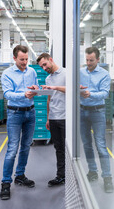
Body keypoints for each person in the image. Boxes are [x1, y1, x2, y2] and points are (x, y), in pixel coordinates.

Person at [0, 45, 39, 200]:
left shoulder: (32, 71)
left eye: (26, 59)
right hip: (15, 113)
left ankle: (20, 175)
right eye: (22, 59)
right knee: (12, 148)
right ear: (14, 58)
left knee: (26, 146)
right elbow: (7, 93)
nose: (24, 62)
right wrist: (24, 94)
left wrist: (36, 88)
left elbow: (37, 87)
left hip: (31, 112)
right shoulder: (7, 74)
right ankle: (5, 183)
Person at [80, 47, 114, 193]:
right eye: (87, 60)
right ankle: (92, 171)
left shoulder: (104, 74)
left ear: (98, 59)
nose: (88, 63)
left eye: (91, 60)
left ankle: (107, 177)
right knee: (87, 144)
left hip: (97, 112)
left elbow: (105, 94)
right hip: (82, 111)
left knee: (100, 145)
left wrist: (90, 94)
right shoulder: (80, 72)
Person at [36, 53, 66, 187]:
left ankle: (72, 175)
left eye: (45, 64)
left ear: (51, 60)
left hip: (65, 117)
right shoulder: (48, 79)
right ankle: (61, 176)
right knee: (58, 148)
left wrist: (55, 88)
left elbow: (72, 90)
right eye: (41, 66)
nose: (44, 68)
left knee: (68, 149)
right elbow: (49, 99)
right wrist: (48, 117)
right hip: (54, 118)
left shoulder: (66, 73)